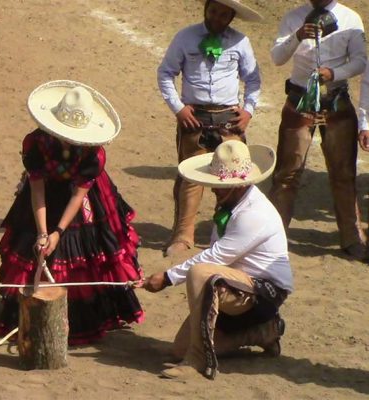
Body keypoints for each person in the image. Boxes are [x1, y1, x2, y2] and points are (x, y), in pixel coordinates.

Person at [0, 80, 144, 345]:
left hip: (84, 200)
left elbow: (78, 195)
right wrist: (43, 232)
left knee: (81, 254)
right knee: (35, 249)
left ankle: (76, 319)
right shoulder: (36, 144)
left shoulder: (93, 155)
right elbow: (37, 189)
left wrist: (58, 232)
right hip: (44, 194)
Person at [140, 140, 294, 380]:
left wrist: (168, 278)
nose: (214, 190)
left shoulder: (253, 214)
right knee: (179, 349)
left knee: (201, 273)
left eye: (220, 186)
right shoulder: (233, 205)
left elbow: (215, 256)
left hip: (263, 292)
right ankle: (263, 332)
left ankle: (199, 359)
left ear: (240, 185)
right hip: (236, 285)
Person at [157, 0, 262, 257]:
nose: (216, 17)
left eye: (224, 14)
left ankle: (227, 232)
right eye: (213, 11)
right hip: (195, 116)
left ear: (232, 16)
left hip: (229, 117)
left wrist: (248, 110)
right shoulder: (185, 37)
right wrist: (178, 108)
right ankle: (183, 234)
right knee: (191, 176)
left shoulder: (240, 42)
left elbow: (253, 78)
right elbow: (165, 73)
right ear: (206, 8)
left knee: (232, 177)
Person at [269, 0, 368, 259]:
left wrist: (333, 73)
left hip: (335, 100)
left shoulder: (350, 18)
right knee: (287, 173)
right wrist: (297, 36)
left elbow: (359, 61)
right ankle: (273, 238)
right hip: (300, 100)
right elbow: (277, 58)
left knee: (344, 173)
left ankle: (351, 237)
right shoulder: (294, 18)